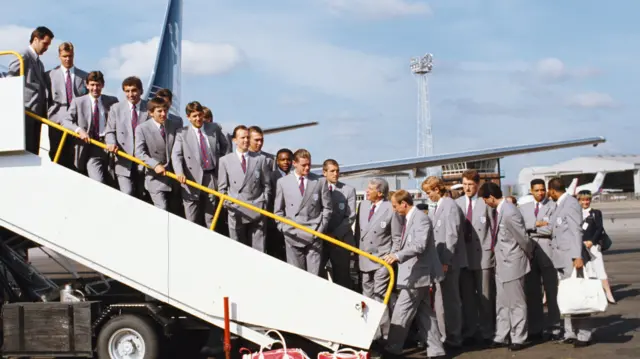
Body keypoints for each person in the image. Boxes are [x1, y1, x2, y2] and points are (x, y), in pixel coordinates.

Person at [383, 190, 446, 359]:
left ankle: (392, 348)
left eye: (396, 206)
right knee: (425, 314)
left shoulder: (421, 219)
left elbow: (419, 245)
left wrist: (397, 256)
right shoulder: (412, 218)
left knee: (401, 312)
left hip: (417, 276)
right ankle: (437, 350)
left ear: (404, 204)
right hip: (417, 275)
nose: (395, 210)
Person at [479, 182, 532, 351]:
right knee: (501, 302)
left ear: (491, 197)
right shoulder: (499, 211)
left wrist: (527, 255)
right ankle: (502, 335)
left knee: (516, 302)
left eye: (485, 200)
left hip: (513, 262)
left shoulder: (509, 212)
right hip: (501, 262)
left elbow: (523, 238)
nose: (485, 203)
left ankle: (519, 337)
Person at [547, 177, 593, 347]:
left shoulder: (571, 204)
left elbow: (576, 231)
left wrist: (577, 256)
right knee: (567, 297)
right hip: (561, 257)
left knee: (578, 295)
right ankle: (570, 332)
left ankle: (584, 334)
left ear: (552, 190)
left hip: (571, 258)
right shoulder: (559, 204)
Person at [273, 149, 332, 275]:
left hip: (313, 235)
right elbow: (278, 210)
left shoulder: (320, 181)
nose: (307, 168)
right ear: (294, 163)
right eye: (303, 165)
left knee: (314, 276)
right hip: (292, 234)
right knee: (296, 276)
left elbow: (327, 208)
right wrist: (283, 228)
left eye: (309, 164)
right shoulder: (283, 182)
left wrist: (320, 230)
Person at [217, 125, 271, 252]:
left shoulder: (260, 159)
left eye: (247, 137)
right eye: (242, 138)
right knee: (237, 249)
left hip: (256, 209)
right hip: (236, 210)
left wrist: (263, 202)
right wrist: (228, 204)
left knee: (258, 251)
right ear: (235, 140)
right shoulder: (225, 161)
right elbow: (222, 188)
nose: (246, 140)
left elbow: (267, 185)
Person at [8, 26, 54, 155]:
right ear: (35, 39)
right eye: (45, 44)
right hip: (25, 112)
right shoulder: (23, 56)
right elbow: (10, 79)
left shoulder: (40, 64)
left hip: (36, 114)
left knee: (33, 151)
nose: (46, 48)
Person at [577, 190, 616, 304]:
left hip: (593, 246)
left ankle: (608, 293)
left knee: (600, 269)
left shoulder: (596, 213)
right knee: (587, 271)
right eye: (583, 199)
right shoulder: (576, 213)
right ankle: (592, 296)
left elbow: (599, 229)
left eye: (588, 199)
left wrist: (592, 241)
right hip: (580, 246)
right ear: (579, 200)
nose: (586, 202)